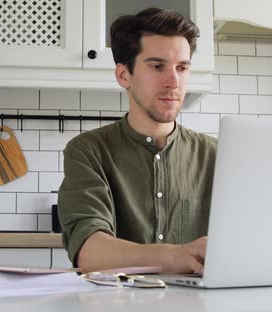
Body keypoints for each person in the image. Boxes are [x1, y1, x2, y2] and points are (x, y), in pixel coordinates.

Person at [57, 8, 217, 274]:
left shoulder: (217, 155)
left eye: (182, 67)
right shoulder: (88, 151)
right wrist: (175, 256)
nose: (174, 81)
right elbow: (89, 251)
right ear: (123, 75)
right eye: (157, 66)